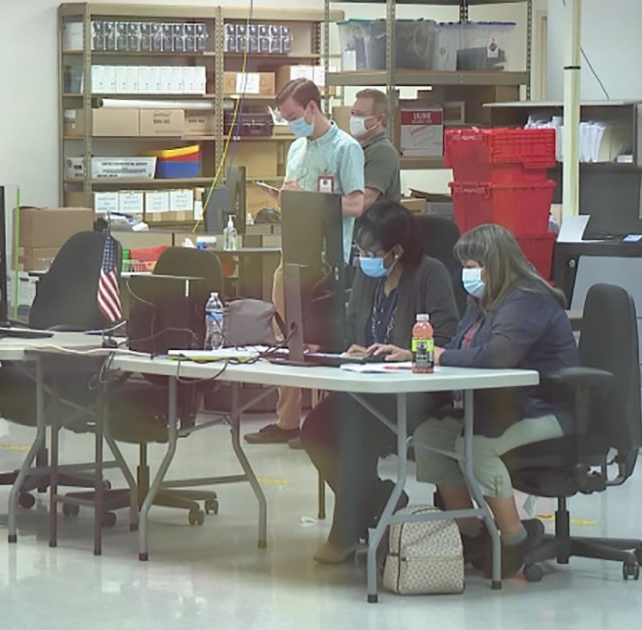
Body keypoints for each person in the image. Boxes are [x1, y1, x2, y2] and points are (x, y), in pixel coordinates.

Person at [411, 223, 579, 577]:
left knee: (477, 446)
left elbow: (498, 356)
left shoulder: (528, 298)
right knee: (429, 437)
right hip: (502, 407)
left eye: (472, 265)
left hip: (545, 409)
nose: (466, 274)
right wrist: (431, 355)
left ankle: (516, 538)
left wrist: (440, 357)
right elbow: (459, 347)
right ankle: (472, 534)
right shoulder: (482, 301)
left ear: (494, 265)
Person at [298, 201, 460, 563]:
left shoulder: (430, 274)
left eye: (372, 252)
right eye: (361, 251)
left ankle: (344, 533)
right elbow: (355, 327)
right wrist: (348, 349)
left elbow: (448, 336)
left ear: (397, 251)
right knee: (316, 429)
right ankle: (382, 501)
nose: (365, 259)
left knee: (354, 426)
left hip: (418, 391)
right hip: (371, 386)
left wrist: (407, 351)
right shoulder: (367, 277)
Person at [246, 77, 366, 445]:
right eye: (284, 117)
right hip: (293, 255)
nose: (290, 122)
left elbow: (356, 204)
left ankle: (321, 425)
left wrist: (313, 200)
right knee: (288, 341)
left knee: (322, 343)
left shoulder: (346, 149)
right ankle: (287, 422)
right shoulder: (297, 149)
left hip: (329, 260)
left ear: (313, 108)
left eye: (294, 115)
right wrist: (285, 198)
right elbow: (293, 198)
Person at [348, 88, 402, 206]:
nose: (354, 119)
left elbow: (364, 201)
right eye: (353, 113)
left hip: (374, 223)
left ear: (379, 119)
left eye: (360, 114)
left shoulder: (382, 152)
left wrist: (324, 206)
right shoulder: (357, 148)